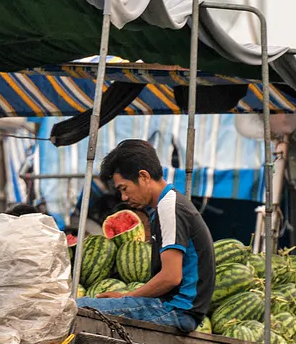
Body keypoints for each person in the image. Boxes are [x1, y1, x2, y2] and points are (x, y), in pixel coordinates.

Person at [75, 138, 216, 333]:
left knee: (76, 308)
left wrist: (128, 298)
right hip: (175, 308)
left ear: (143, 176)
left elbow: (171, 277)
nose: (124, 198)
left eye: (124, 188)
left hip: (177, 311)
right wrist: (127, 299)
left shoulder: (169, 206)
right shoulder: (166, 205)